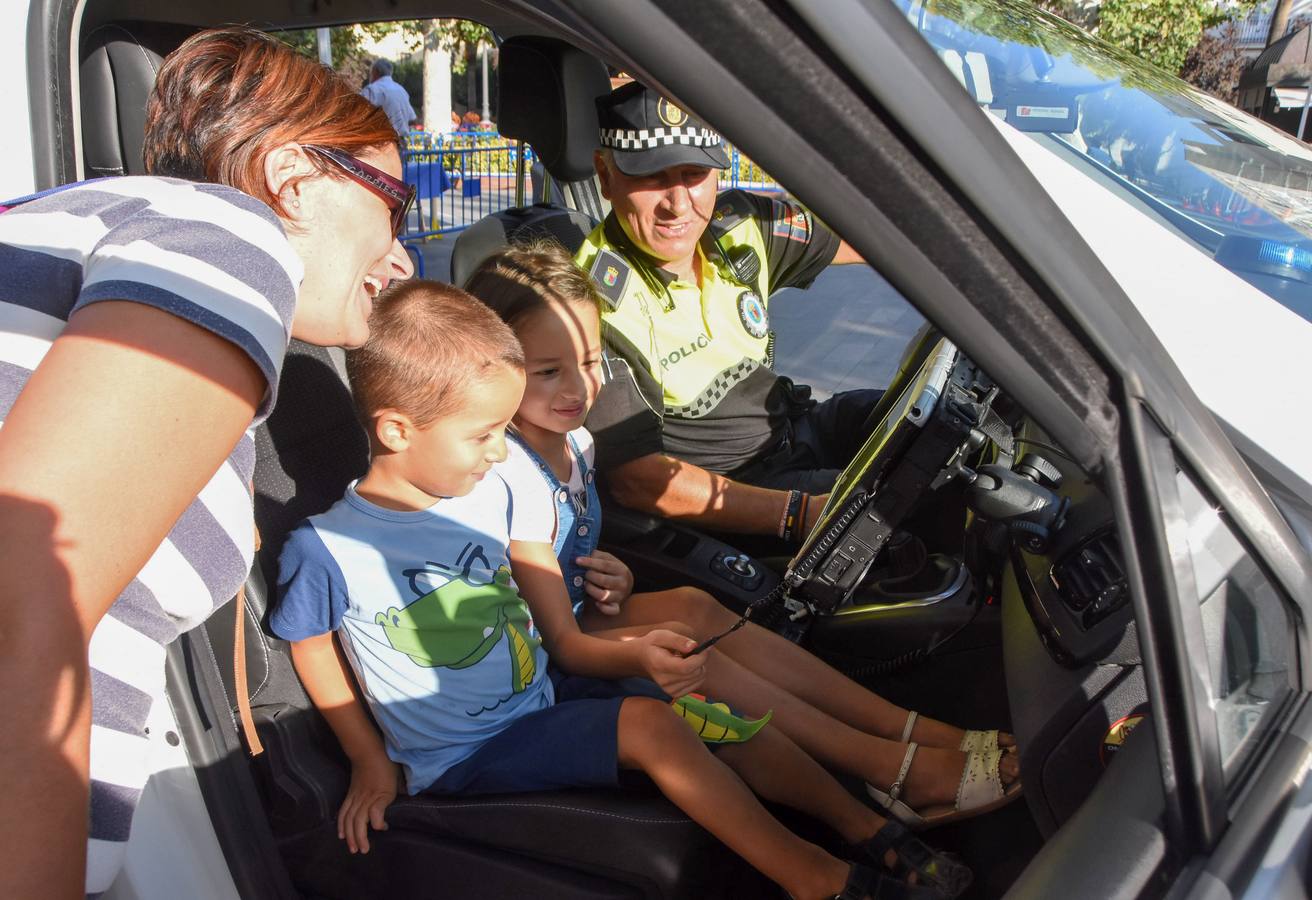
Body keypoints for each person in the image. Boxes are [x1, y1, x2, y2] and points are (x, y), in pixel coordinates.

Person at [270, 281, 972, 900]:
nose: (496, 451)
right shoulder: (328, 548)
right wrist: (368, 760)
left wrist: (614, 583)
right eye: (483, 434)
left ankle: (863, 821)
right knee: (652, 724)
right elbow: (311, 646)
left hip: (539, 697)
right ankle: (813, 876)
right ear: (396, 430)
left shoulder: (478, 497)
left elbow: (547, 578)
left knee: (708, 708)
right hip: (465, 753)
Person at [0, 27, 414, 898]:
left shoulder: (108, 225)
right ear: (294, 181)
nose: (404, 255)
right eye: (394, 206)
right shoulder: (226, 236)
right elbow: (20, 598)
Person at [467, 241, 1021, 830]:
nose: (578, 389)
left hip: (570, 613)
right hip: (539, 652)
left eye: (590, 361)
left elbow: (564, 548)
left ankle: (905, 729)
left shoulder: (576, 443)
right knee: (687, 638)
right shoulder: (503, 470)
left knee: (694, 606)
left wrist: (610, 571)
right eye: (548, 372)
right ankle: (890, 768)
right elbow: (538, 614)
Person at [576, 81, 885, 546]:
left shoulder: (738, 226)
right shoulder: (589, 300)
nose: (678, 204)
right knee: (894, 512)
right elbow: (637, 479)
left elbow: (880, 238)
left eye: (695, 174)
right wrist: (799, 515)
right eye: (653, 176)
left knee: (930, 432)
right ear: (605, 174)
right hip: (735, 492)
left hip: (793, 429)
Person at [361, 58, 418, 139]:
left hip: (379, 144)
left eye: (371, 72)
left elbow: (358, 116)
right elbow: (412, 120)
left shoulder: (371, 90)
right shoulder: (401, 90)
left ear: (375, 71)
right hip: (400, 145)